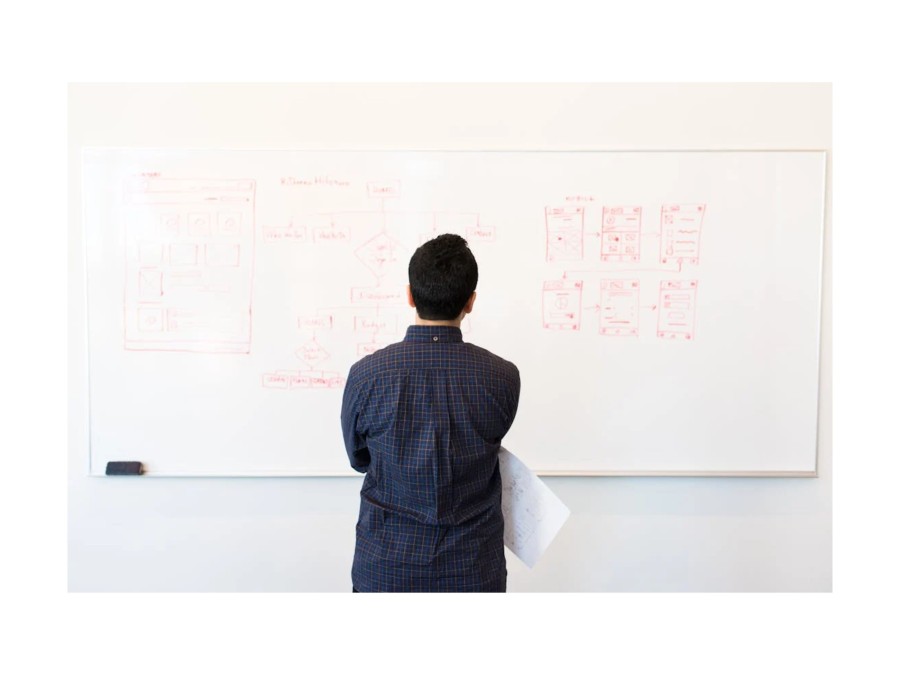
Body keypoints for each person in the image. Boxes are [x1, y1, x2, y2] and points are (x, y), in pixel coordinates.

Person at [340, 233, 521, 592]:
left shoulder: (366, 375)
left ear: (410, 295)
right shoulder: (502, 377)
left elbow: (359, 458)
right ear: (470, 302)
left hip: (386, 568)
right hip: (473, 570)